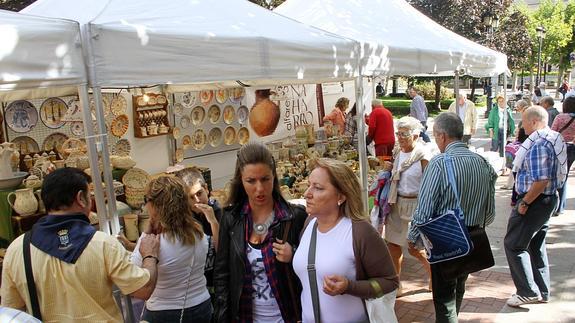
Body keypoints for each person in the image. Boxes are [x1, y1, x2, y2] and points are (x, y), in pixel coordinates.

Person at [1, 167, 160, 322]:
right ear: (80, 198)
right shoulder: (103, 244)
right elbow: (143, 289)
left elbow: (12, 311)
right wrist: (149, 255)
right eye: (89, 194)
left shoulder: (17, 249)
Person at [408, 112, 497, 323]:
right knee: (459, 285)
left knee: (444, 297)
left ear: (442, 136)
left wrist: (413, 238)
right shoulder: (482, 162)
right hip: (473, 237)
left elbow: (424, 211)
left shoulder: (439, 164)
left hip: (446, 239)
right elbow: (490, 210)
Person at [293, 158, 399, 323]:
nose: (307, 193)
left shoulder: (360, 232)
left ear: (341, 196)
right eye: (309, 185)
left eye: (318, 188)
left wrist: (349, 287)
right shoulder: (309, 224)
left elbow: (390, 282)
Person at [213, 142, 307, 323]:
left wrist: (294, 254)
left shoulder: (294, 217)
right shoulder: (232, 219)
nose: (259, 188)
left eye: (265, 179)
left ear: (274, 177)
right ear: (240, 180)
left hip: (286, 316)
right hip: (245, 316)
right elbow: (222, 274)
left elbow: (313, 266)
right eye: (251, 181)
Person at [504, 106, 567, 307]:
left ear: (533, 122)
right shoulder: (552, 137)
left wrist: (524, 202)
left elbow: (540, 181)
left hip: (536, 201)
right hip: (545, 201)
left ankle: (527, 291)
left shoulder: (538, 143)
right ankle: (542, 290)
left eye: (523, 121)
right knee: (535, 245)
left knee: (513, 244)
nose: (521, 126)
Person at [132, 176, 212, 322]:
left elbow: (134, 277)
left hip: (164, 313)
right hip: (202, 306)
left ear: (155, 205)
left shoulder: (153, 242)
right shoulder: (198, 234)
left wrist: (145, 233)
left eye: (146, 200)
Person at [384, 116, 433, 295]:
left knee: (415, 247)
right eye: (398, 133)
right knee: (393, 245)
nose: (400, 137)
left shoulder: (424, 156)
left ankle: (432, 274)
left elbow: (430, 185)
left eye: (404, 134)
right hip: (396, 203)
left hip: (416, 206)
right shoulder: (398, 152)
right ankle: (397, 284)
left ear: (415, 135)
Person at [175, 167, 222, 295]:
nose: (197, 200)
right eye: (190, 197)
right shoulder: (184, 219)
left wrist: (213, 221)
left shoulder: (219, 211)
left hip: (217, 280)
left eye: (199, 193)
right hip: (196, 286)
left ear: (206, 189)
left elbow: (222, 251)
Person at [551, 96, 575, 216]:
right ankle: (561, 207)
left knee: (557, 175)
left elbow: (553, 132)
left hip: (559, 147)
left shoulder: (560, 117)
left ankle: (555, 204)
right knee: (565, 176)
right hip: (572, 148)